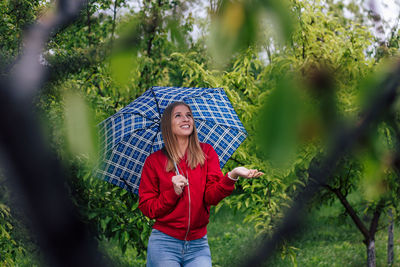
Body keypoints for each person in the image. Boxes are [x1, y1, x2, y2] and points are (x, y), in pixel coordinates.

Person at [139, 101, 263, 267]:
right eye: (178, 115)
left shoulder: (207, 153)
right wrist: (173, 192)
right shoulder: (154, 161)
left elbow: (211, 197)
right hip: (164, 243)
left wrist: (232, 175)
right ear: (168, 125)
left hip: (198, 245)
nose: (186, 119)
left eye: (189, 115)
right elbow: (148, 208)